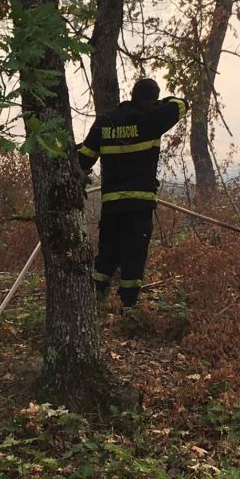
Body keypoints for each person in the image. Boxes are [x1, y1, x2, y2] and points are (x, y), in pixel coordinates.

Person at [77, 79, 189, 309]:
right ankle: (128, 306)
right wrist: (159, 104)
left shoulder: (105, 120)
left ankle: (96, 298)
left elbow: (84, 158)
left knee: (107, 250)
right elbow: (181, 104)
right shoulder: (152, 119)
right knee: (134, 253)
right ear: (151, 100)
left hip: (112, 204)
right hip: (139, 204)